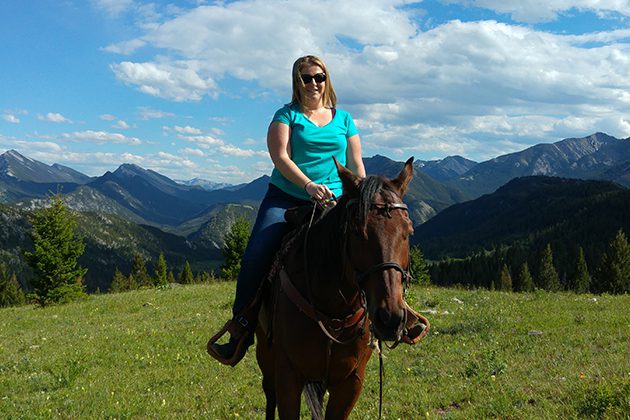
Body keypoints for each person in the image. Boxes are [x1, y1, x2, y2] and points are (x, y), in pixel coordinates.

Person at [207, 55, 366, 366]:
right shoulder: (286, 116)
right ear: (297, 81)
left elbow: (356, 162)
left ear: (326, 79)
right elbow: (280, 157)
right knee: (257, 251)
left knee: (372, 242)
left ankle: (391, 314)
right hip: (287, 197)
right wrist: (308, 186)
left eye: (318, 77)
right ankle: (240, 327)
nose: (313, 83)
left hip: (334, 199)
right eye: (306, 78)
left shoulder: (344, 118)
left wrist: (359, 192)